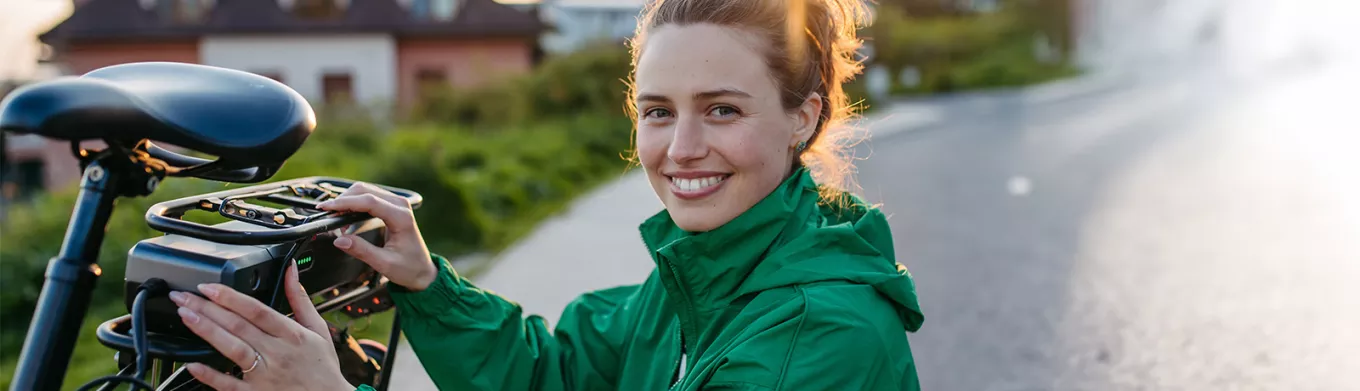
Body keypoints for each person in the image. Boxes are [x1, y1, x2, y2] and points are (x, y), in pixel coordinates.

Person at [165, 0, 925, 389]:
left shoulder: (812, 340)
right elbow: (555, 376)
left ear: (804, 115)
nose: (680, 149)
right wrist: (430, 285)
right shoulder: (707, 272)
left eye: (721, 108)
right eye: (658, 111)